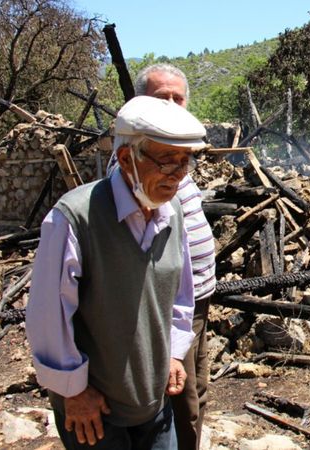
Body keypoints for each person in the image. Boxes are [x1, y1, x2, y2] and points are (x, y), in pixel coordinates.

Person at [26, 95, 206, 449]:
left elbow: (180, 296)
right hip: (95, 412)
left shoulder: (172, 212)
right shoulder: (75, 217)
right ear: (126, 159)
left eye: (185, 162)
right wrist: (72, 391)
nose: (178, 175)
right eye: (167, 162)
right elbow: (48, 318)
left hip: (154, 403)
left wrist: (173, 352)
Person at [130, 63, 217, 450]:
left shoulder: (177, 154)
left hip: (197, 298)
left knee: (196, 387)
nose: (169, 104)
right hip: (169, 304)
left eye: (176, 98)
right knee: (180, 397)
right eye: (159, 97)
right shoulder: (139, 163)